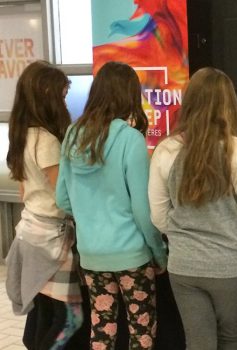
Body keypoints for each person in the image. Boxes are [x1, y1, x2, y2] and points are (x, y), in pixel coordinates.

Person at [148, 67, 237, 350]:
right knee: (230, 337)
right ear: (229, 105)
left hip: (184, 265)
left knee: (198, 341)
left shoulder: (165, 151)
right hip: (230, 266)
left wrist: (183, 234)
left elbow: (158, 215)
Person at [55, 61, 168, 350]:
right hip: (131, 255)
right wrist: (159, 253)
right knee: (141, 331)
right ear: (128, 95)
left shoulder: (71, 136)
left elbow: (62, 199)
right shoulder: (130, 140)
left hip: (92, 255)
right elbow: (143, 211)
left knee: (102, 329)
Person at [5, 60, 83, 349]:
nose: (66, 103)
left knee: (45, 314)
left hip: (30, 231)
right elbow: (64, 193)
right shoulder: (48, 140)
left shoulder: (22, 134)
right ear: (47, 96)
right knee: (70, 318)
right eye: (63, 96)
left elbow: (25, 189)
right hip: (53, 239)